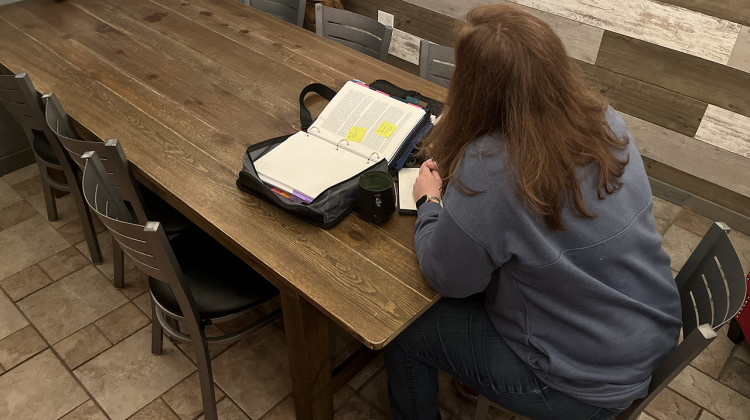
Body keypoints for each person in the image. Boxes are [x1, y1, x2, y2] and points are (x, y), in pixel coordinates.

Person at [384, 4, 682, 420]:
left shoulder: (490, 166)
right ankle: (472, 379)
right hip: (644, 332)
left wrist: (429, 202)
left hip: (577, 384)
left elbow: (449, 278)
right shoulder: (606, 119)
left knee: (401, 332)